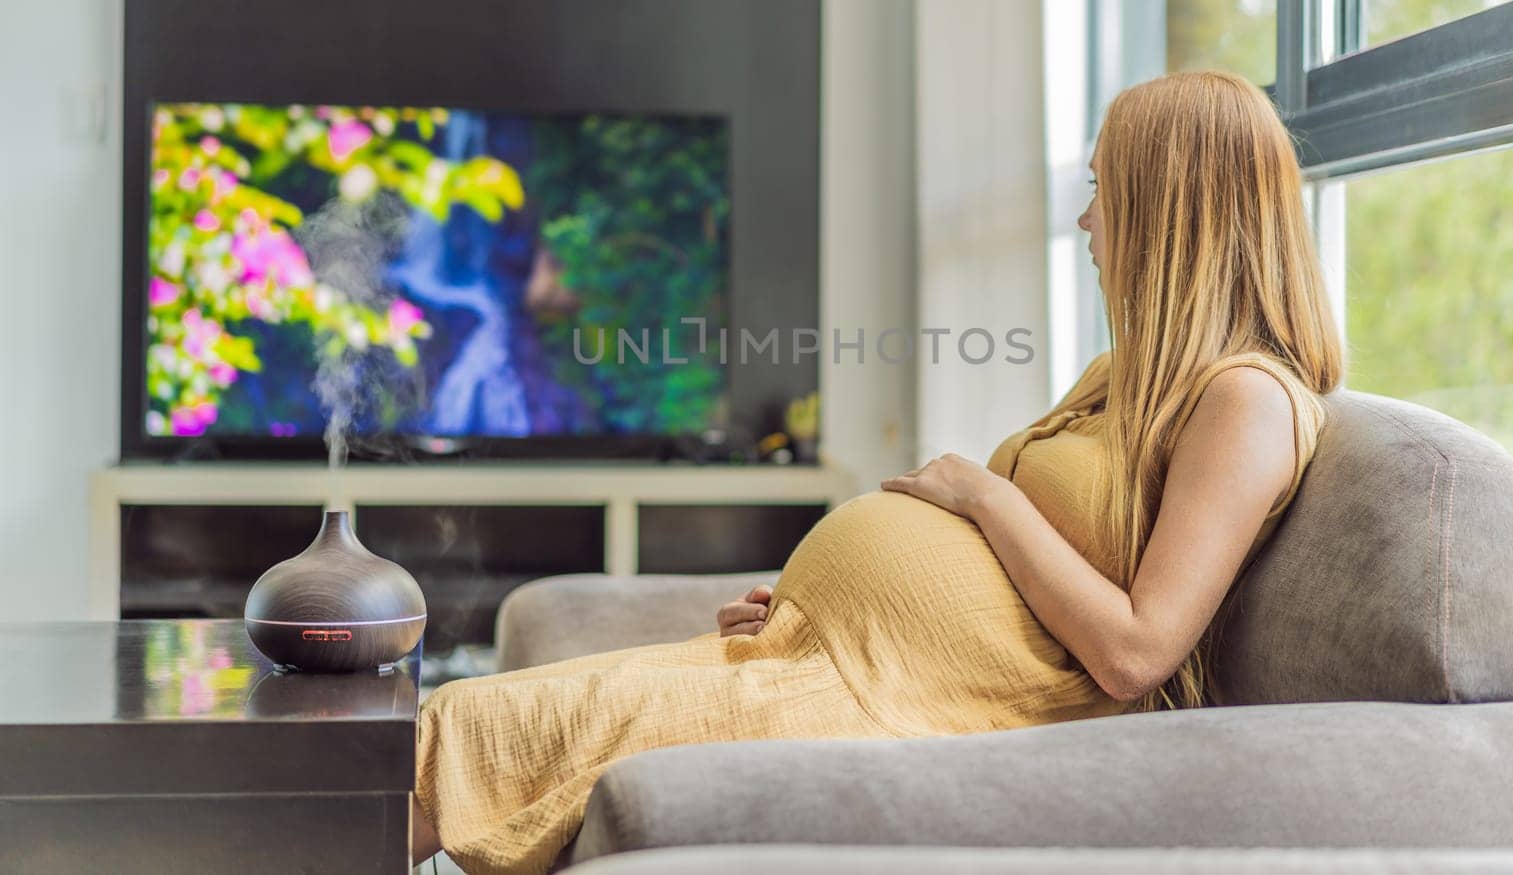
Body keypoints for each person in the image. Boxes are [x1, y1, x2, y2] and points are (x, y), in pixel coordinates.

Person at [410, 69, 1345, 873]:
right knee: (459, 722)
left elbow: (1138, 651)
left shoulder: (1247, 403)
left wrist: (985, 493)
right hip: (813, 660)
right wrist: (814, 607)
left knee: (461, 737)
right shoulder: (1130, 375)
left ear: (1172, 208)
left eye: (1107, 191)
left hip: (893, 708)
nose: (1089, 219)